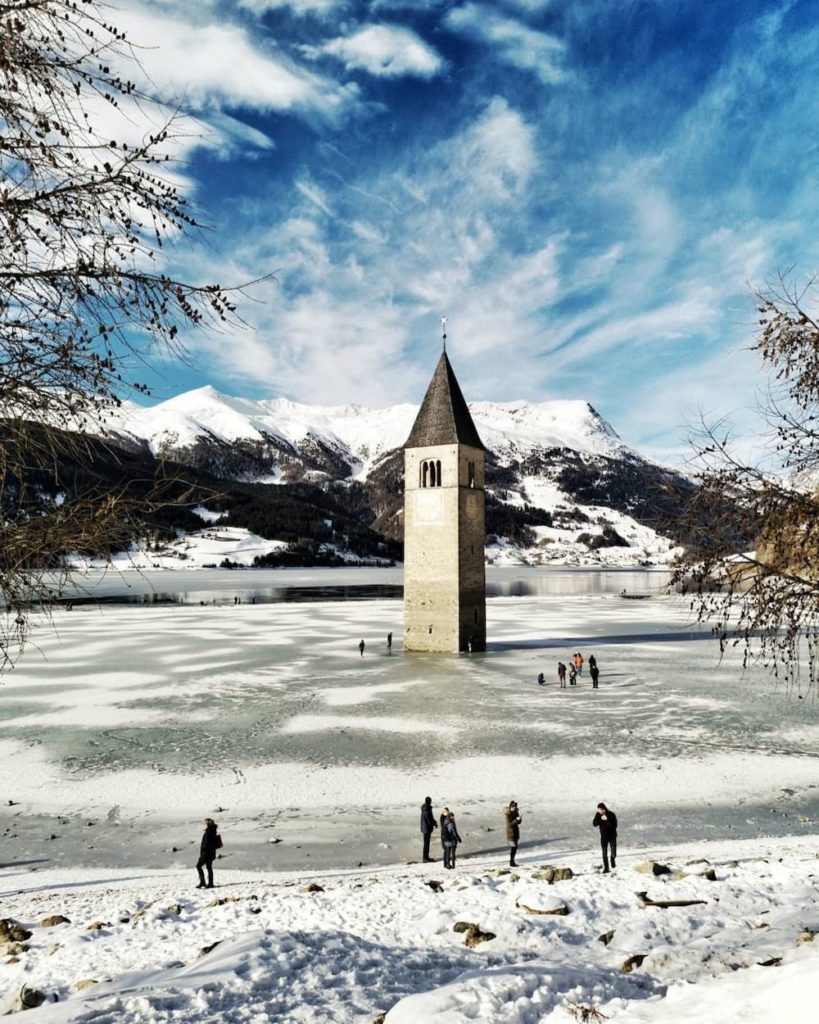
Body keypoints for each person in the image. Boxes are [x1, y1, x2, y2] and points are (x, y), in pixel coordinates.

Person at [196, 817, 221, 889]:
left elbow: (206, 844)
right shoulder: (212, 830)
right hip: (211, 853)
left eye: (205, 824)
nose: (204, 825)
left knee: (198, 866)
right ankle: (210, 883)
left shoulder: (209, 832)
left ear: (208, 825)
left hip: (206, 853)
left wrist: (203, 853)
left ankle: (203, 882)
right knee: (209, 867)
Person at [593, 802, 618, 873]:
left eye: (601, 809)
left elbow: (615, 825)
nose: (600, 811)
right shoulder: (598, 815)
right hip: (604, 837)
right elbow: (594, 824)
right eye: (599, 810)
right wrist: (599, 817)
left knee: (613, 852)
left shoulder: (611, 814)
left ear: (604, 809)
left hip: (612, 835)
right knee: (604, 853)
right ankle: (606, 868)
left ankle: (612, 859)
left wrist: (607, 820)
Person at [504, 800, 522, 867]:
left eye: (515, 807)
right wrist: (516, 820)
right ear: (510, 807)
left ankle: (512, 861)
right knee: (513, 847)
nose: (514, 808)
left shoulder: (516, 812)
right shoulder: (507, 814)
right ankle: (512, 862)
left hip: (516, 832)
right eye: (513, 807)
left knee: (515, 847)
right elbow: (510, 824)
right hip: (510, 833)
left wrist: (519, 819)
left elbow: (518, 823)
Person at [420, 796, 437, 862]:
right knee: (426, 844)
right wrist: (433, 824)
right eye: (430, 801)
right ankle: (425, 858)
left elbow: (430, 818)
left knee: (426, 843)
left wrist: (434, 822)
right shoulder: (426, 809)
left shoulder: (426, 808)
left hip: (425, 828)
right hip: (426, 829)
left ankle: (426, 857)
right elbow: (429, 820)